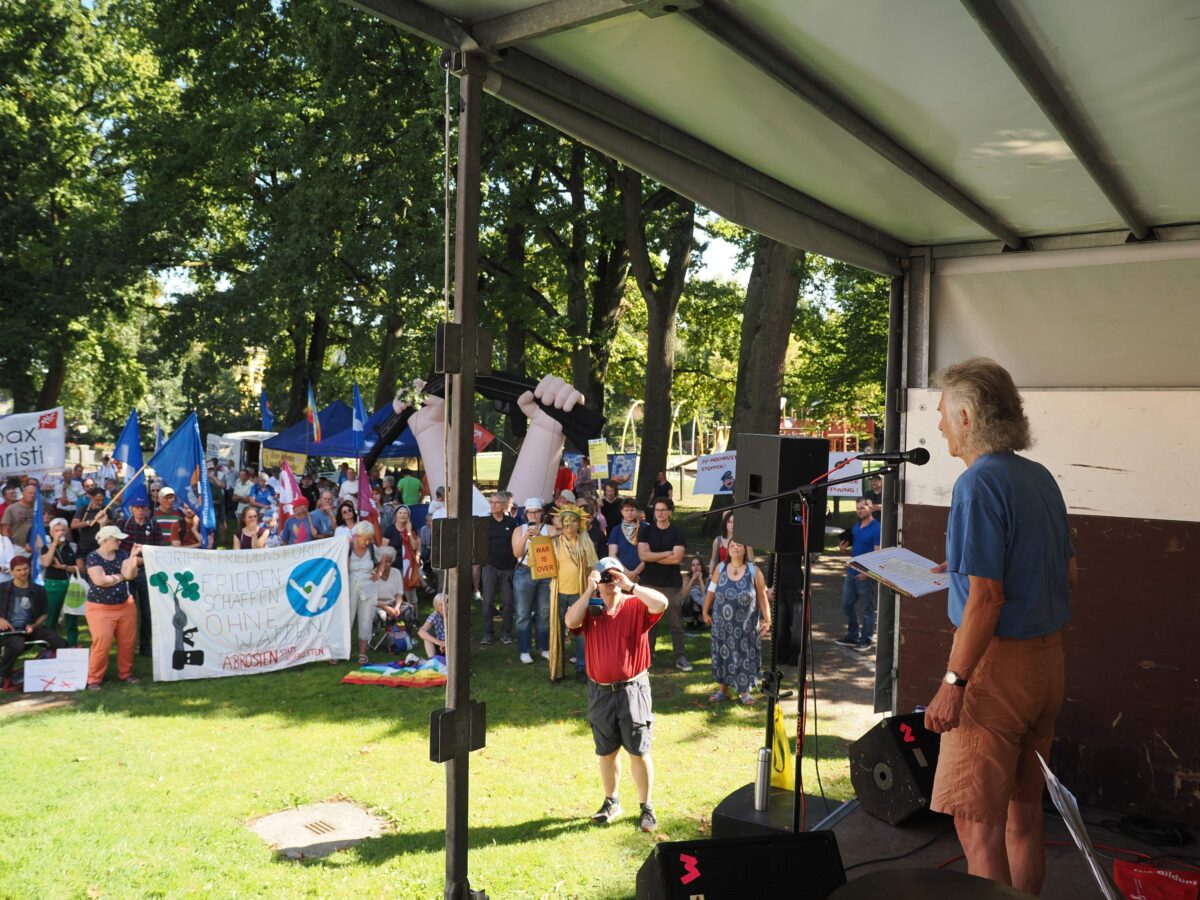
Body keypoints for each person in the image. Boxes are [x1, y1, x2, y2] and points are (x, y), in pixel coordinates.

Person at [923, 358, 1076, 894]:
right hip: (1046, 666)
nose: (939, 424)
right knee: (1023, 814)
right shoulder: (1038, 476)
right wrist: (967, 564)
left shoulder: (977, 483)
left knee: (975, 826)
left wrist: (953, 683)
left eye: (942, 412)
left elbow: (987, 598)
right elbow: (1067, 571)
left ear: (966, 417)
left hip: (996, 673)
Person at [566, 557, 668, 832]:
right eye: (605, 577)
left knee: (639, 751)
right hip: (600, 692)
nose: (611, 582)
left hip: (632, 690)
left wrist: (630, 585)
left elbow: (662, 603)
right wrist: (589, 590)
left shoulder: (635, 604)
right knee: (606, 752)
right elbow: (570, 620)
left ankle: (646, 807)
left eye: (615, 576)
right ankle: (611, 802)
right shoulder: (591, 609)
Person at [702, 541, 770, 704]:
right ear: (728, 549)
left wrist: (768, 619)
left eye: (739, 545)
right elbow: (711, 591)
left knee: (743, 655)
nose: (735, 547)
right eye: (732, 545)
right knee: (723, 655)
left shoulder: (754, 571)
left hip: (745, 625)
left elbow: (762, 595)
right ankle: (722, 691)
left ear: (745, 549)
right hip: (722, 625)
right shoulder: (720, 568)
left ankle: (744, 692)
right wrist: (705, 611)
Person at [84, 525, 143, 689]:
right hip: (100, 608)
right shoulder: (93, 556)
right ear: (105, 540)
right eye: (116, 539)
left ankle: (126, 673)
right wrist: (119, 577)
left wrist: (132, 558)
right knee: (102, 643)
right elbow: (100, 581)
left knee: (128, 643)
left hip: (125, 606)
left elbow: (130, 575)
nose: (119, 542)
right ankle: (94, 679)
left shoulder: (123, 554)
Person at [637, 497, 691, 672]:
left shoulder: (677, 532)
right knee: (649, 624)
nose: (659, 513)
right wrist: (667, 553)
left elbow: (677, 558)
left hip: (671, 583)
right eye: (657, 510)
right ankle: (646, 658)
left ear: (670, 512)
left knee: (676, 624)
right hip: (649, 583)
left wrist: (654, 556)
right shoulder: (645, 530)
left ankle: (680, 657)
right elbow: (643, 556)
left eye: (663, 510)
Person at [0, 555, 68, 692]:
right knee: (17, 644)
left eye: (25, 569)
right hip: (9, 630)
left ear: (30, 569)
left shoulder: (39, 589)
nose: (23, 572)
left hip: (31, 627)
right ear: (12, 572)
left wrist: (34, 625)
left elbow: (44, 613)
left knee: (57, 640)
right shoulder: (2, 588)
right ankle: (3, 675)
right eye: (18, 570)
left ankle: (67, 671)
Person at [549, 502, 598, 682]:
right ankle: (557, 670)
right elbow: (539, 563)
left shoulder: (585, 542)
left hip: (580, 593)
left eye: (573, 520)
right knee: (557, 630)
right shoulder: (553, 542)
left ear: (579, 523)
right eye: (566, 520)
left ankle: (582, 668)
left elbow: (593, 567)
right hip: (558, 593)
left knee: (581, 632)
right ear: (561, 522)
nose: (569, 524)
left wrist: (593, 591)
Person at [835, 497, 881, 652]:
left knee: (867, 609)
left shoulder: (877, 528)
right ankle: (853, 635)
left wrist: (868, 573)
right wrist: (844, 548)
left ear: (870, 508)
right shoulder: (856, 527)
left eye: (862, 508)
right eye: (857, 508)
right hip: (851, 573)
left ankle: (866, 639)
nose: (859, 511)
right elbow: (856, 546)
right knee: (847, 605)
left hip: (865, 576)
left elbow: (878, 554)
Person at [511, 497, 553, 665]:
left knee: (544, 612)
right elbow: (517, 553)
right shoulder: (519, 530)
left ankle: (544, 647)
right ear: (526, 514)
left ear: (542, 513)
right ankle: (524, 649)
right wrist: (525, 537)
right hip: (524, 572)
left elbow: (553, 553)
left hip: (545, 573)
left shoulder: (550, 529)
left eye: (537, 512)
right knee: (523, 613)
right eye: (530, 512)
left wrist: (540, 537)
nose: (533, 515)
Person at [116, 499, 161, 657]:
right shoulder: (123, 524)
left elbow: (157, 551)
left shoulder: (154, 525)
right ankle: (128, 645)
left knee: (147, 612)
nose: (140, 510)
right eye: (137, 507)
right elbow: (119, 550)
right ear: (131, 509)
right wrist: (135, 560)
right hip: (126, 570)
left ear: (147, 509)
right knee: (128, 611)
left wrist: (138, 560)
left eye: (143, 507)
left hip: (147, 572)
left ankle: (145, 645)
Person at [480, 492, 517, 646]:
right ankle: (488, 633)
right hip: (490, 566)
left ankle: (506, 633)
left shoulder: (512, 522)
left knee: (507, 602)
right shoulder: (485, 522)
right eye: (491, 502)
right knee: (488, 601)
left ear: (503, 505)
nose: (493, 505)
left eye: (496, 503)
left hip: (508, 567)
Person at [348, 521, 381, 664]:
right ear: (357, 536)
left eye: (370, 539)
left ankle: (363, 653)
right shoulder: (347, 547)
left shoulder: (372, 548)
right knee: (346, 619)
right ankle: (339, 651)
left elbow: (384, 559)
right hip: (349, 589)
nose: (367, 542)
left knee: (366, 620)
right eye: (364, 539)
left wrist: (379, 573)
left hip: (368, 589)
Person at [38, 518, 77, 634]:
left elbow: (80, 568)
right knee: (51, 617)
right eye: (56, 531)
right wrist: (54, 544)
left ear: (67, 531)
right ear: (51, 533)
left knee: (72, 618)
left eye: (63, 530)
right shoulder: (46, 547)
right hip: (53, 585)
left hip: (71, 584)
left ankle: (72, 643)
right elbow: (46, 563)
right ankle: (50, 642)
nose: (60, 533)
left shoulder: (73, 547)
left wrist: (63, 567)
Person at [607, 498, 644, 581]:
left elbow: (649, 554)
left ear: (637, 511)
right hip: (622, 574)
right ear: (621, 512)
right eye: (626, 510)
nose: (629, 513)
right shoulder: (616, 530)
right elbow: (612, 555)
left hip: (643, 573)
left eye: (632, 510)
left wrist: (636, 572)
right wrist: (626, 573)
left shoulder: (645, 528)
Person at [707, 510, 753, 576]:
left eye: (734, 522)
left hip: (740, 576)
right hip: (721, 576)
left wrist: (752, 577)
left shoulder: (745, 541)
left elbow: (751, 562)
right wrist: (710, 574)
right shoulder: (718, 540)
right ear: (725, 524)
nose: (732, 525)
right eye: (729, 522)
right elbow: (713, 559)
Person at [1, 482, 40, 551]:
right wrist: (8, 546)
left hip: (36, 546)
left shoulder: (38, 508)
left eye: (34, 493)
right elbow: (4, 529)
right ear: (23, 494)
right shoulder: (11, 508)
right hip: (18, 546)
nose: (32, 495)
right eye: (30, 493)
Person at [679, 556, 707, 629]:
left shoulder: (706, 578)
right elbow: (683, 595)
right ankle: (689, 622)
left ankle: (701, 621)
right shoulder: (686, 578)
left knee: (705, 599)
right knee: (688, 598)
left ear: (702, 567)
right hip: (689, 607)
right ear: (691, 568)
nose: (696, 567)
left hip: (701, 606)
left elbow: (706, 595)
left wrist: (700, 580)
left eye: (698, 564)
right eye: (693, 565)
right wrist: (691, 580)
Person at [417, 592, 447, 658]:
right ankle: (432, 660)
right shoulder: (435, 614)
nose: (445, 606)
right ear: (437, 607)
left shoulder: (453, 615)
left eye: (446, 603)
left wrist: (445, 644)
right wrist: (439, 642)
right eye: (441, 605)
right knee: (427, 637)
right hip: (440, 644)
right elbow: (420, 632)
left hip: (452, 643)